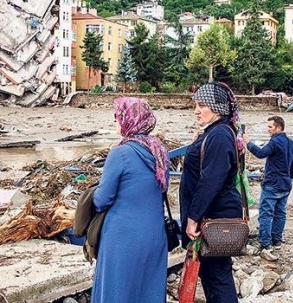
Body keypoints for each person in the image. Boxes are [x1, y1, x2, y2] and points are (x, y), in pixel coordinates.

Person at [91, 97, 170, 303]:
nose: (115, 121)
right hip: (154, 234)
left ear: (128, 120)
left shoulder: (120, 153)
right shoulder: (159, 151)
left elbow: (102, 200)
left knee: (117, 291)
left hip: (122, 236)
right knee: (148, 290)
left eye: (117, 117)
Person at [180, 81, 243, 303]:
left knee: (217, 277)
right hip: (212, 216)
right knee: (211, 274)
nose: (196, 110)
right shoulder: (215, 132)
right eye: (195, 105)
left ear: (217, 107)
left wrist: (193, 217)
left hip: (214, 218)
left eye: (201, 105)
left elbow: (211, 181)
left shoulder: (219, 135)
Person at [243, 116, 293, 261]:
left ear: (279, 127)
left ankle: (265, 244)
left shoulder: (275, 142)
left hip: (273, 183)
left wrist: (248, 143)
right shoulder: (290, 143)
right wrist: (288, 177)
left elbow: (261, 153)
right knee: (280, 213)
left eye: (270, 127)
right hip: (285, 184)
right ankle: (277, 240)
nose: (268, 129)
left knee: (266, 214)